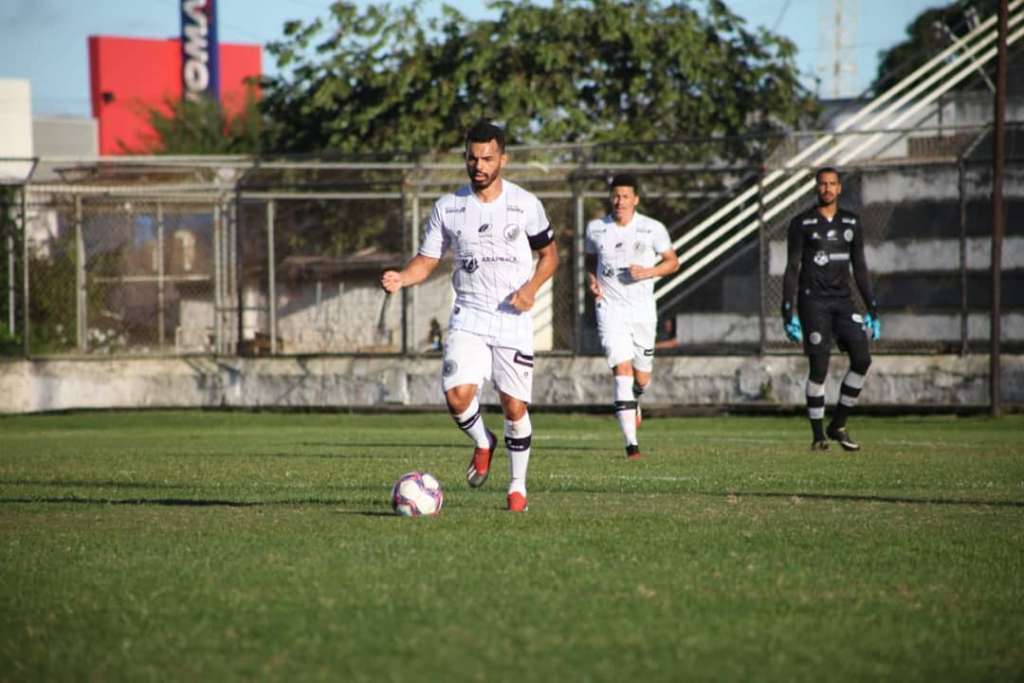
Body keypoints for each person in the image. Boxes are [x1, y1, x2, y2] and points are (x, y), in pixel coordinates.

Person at [380, 120, 558, 511]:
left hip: (512, 318)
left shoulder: (525, 204)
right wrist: (401, 277)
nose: (479, 165)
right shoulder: (449, 207)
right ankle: (483, 440)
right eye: (473, 158)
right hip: (469, 314)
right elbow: (426, 262)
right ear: (465, 158)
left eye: (487, 158)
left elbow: (550, 256)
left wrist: (530, 290)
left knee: (514, 407)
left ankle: (517, 488)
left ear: (503, 160)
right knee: (458, 396)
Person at [781, 167, 880, 452]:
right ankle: (817, 436)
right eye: (822, 184)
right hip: (813, 302)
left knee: (862, 359)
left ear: (839, 189)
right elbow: (791, 269)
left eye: (832, 184)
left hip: (843, 301)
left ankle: (838, 424)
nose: (827, 188)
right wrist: (789, 313)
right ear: (816, 188)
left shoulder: (851, 222)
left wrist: (873, 309)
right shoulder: (802, 223)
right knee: (819, 367)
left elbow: (860, 268)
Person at [585, 174, 679, 460]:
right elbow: (591, 260)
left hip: (642, 312)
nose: (620, 201)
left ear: (635, 199)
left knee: (641, 377)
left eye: (626, 196)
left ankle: (635, 399)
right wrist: (591, 280)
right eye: (616, 195)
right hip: (610, 309)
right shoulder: (595, 229)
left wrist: (648, 272)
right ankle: (632, 446)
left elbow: (673, 262)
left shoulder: (652, 229)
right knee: (621, 373)